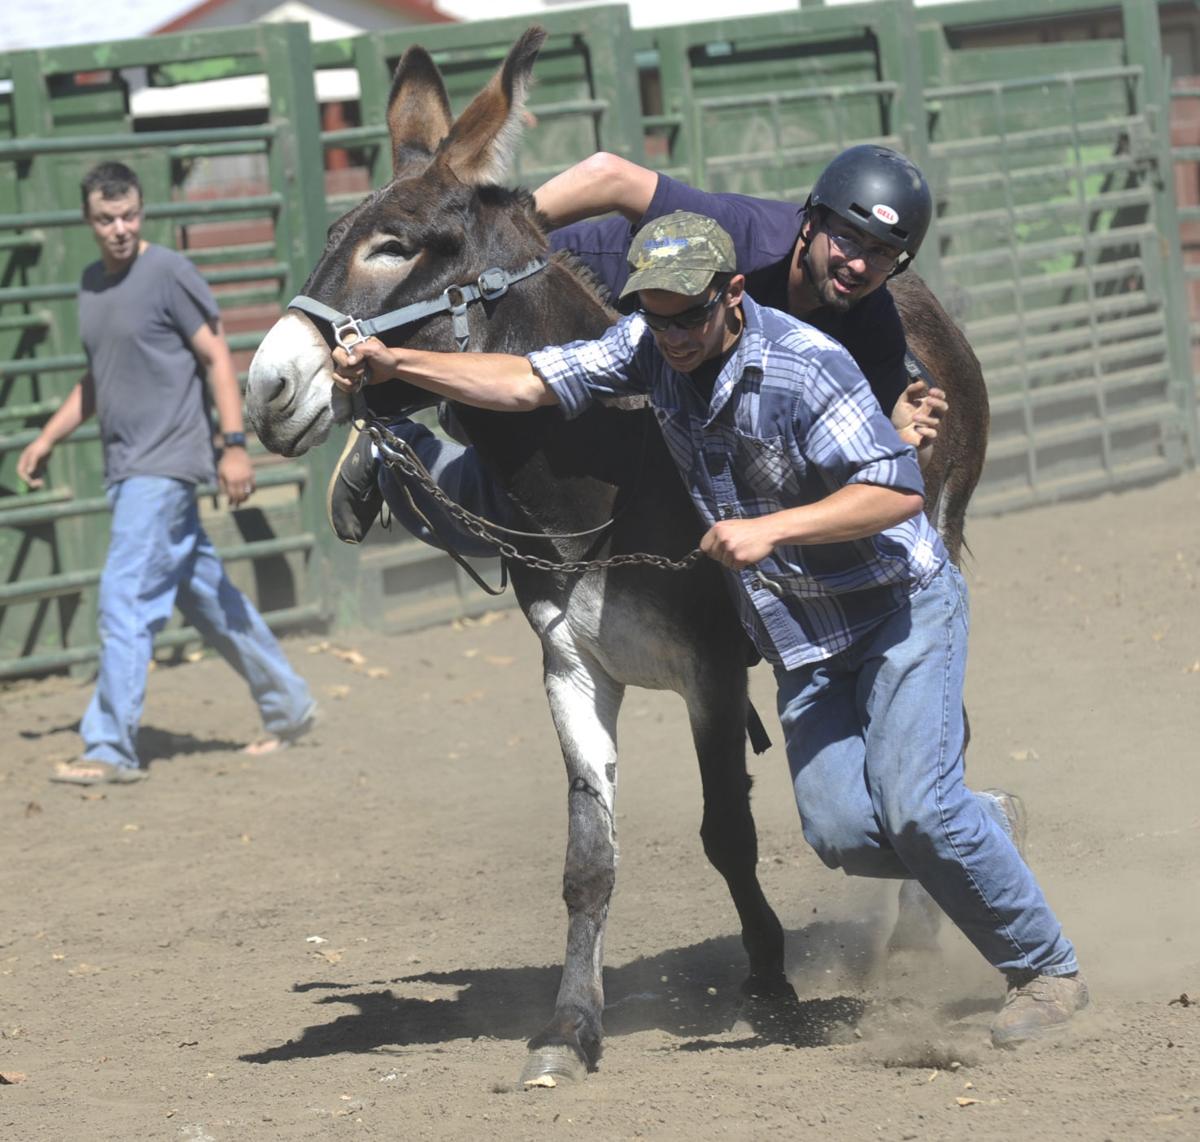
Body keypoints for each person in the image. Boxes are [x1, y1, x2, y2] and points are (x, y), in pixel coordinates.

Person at [328, 211, 1087, 1049]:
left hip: (893, 609)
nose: (674, 333)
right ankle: (984, 819)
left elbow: (898, 492)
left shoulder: (808, 365)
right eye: (655, 313)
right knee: (840, 832)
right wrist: (396, 364)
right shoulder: (650, 348)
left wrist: (772, 530)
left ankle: (1045, 968)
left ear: (733, 295)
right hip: (803, 633)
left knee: (916, 812)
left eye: (689, 313)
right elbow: (528, 383)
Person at [327, 144, 948, 546]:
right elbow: (609, 174)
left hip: (675, 354)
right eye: (849, 239)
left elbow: (890, 421)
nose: (860, 265)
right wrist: (509, 239)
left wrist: (903, 422)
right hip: (596, 287)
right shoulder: (747, 238)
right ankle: (397, 450)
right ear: (811, 224)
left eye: (882, 252)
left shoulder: (871, 316)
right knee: (534, 473)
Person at [16, 162, 316, 786]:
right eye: (106, 219)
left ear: (142, 212)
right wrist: (47, 437)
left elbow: (216, 357)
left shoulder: (169, 274)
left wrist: (234, 446)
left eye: (129, 215)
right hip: (127, 468)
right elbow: (99, 379)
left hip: (167, 464)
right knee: (211, 600)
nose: (120, 228)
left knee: (124, 597)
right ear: (87, 221)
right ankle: (290, 708)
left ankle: (109, 748)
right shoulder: (92, 285)